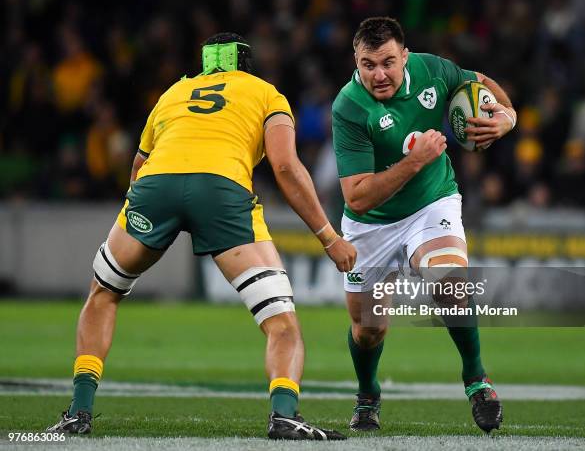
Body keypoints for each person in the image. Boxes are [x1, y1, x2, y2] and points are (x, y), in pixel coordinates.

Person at [47, 32, 356, 441]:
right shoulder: (267, 94)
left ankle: (77, 414)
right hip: (221, 191)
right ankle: (283, 415)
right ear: (246, 63)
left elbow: (138, 167)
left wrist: (145, 215)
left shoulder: (173, 92)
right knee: (281, 323)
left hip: (155, 188)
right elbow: (284, 167)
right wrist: (329, 237)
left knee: (103, 293)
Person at [331, 17, 516, 433]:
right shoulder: (349, 106)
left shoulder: (433, 70)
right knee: (368, 331)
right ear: (356, 63)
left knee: (449, 281)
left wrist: (508, 115)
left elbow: (481, 80)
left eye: (388, 62)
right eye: (368, 64)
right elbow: (357, 196)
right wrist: (415, 161)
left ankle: (476, 378)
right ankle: (367, 396)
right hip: (370, 224)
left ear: (405, 57)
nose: (379, 74)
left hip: (431, 203)